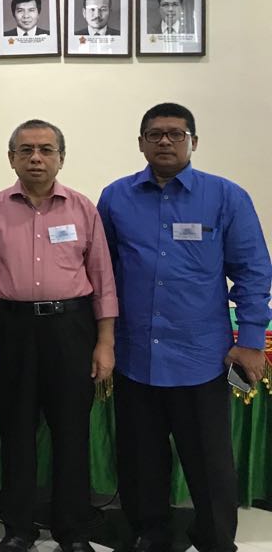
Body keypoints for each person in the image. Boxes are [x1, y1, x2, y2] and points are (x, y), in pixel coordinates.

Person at [97, 103, 272, 552]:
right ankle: (149, 533)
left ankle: (215, 539)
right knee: (140, 460)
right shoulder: (115, 198)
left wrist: (251, 340)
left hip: (201, 358)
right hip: (135, 356)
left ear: (194, 141)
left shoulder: (226, 196)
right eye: (155, 134)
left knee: (210, 463)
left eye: (176, 134)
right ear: (141, 143)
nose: (165, 141)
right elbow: (102, 272)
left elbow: (253, 271)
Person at [0, 119, 118, 552]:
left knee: (72, 432)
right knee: (16, 432)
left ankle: (73, 530)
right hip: (13, 329)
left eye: (46, 150)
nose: (36, 158)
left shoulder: (83, 209)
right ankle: (18, 528)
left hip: (71, 328)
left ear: (60, 158)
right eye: (26, 150)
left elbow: (103, 280)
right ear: (11, 157)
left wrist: (105, 342)